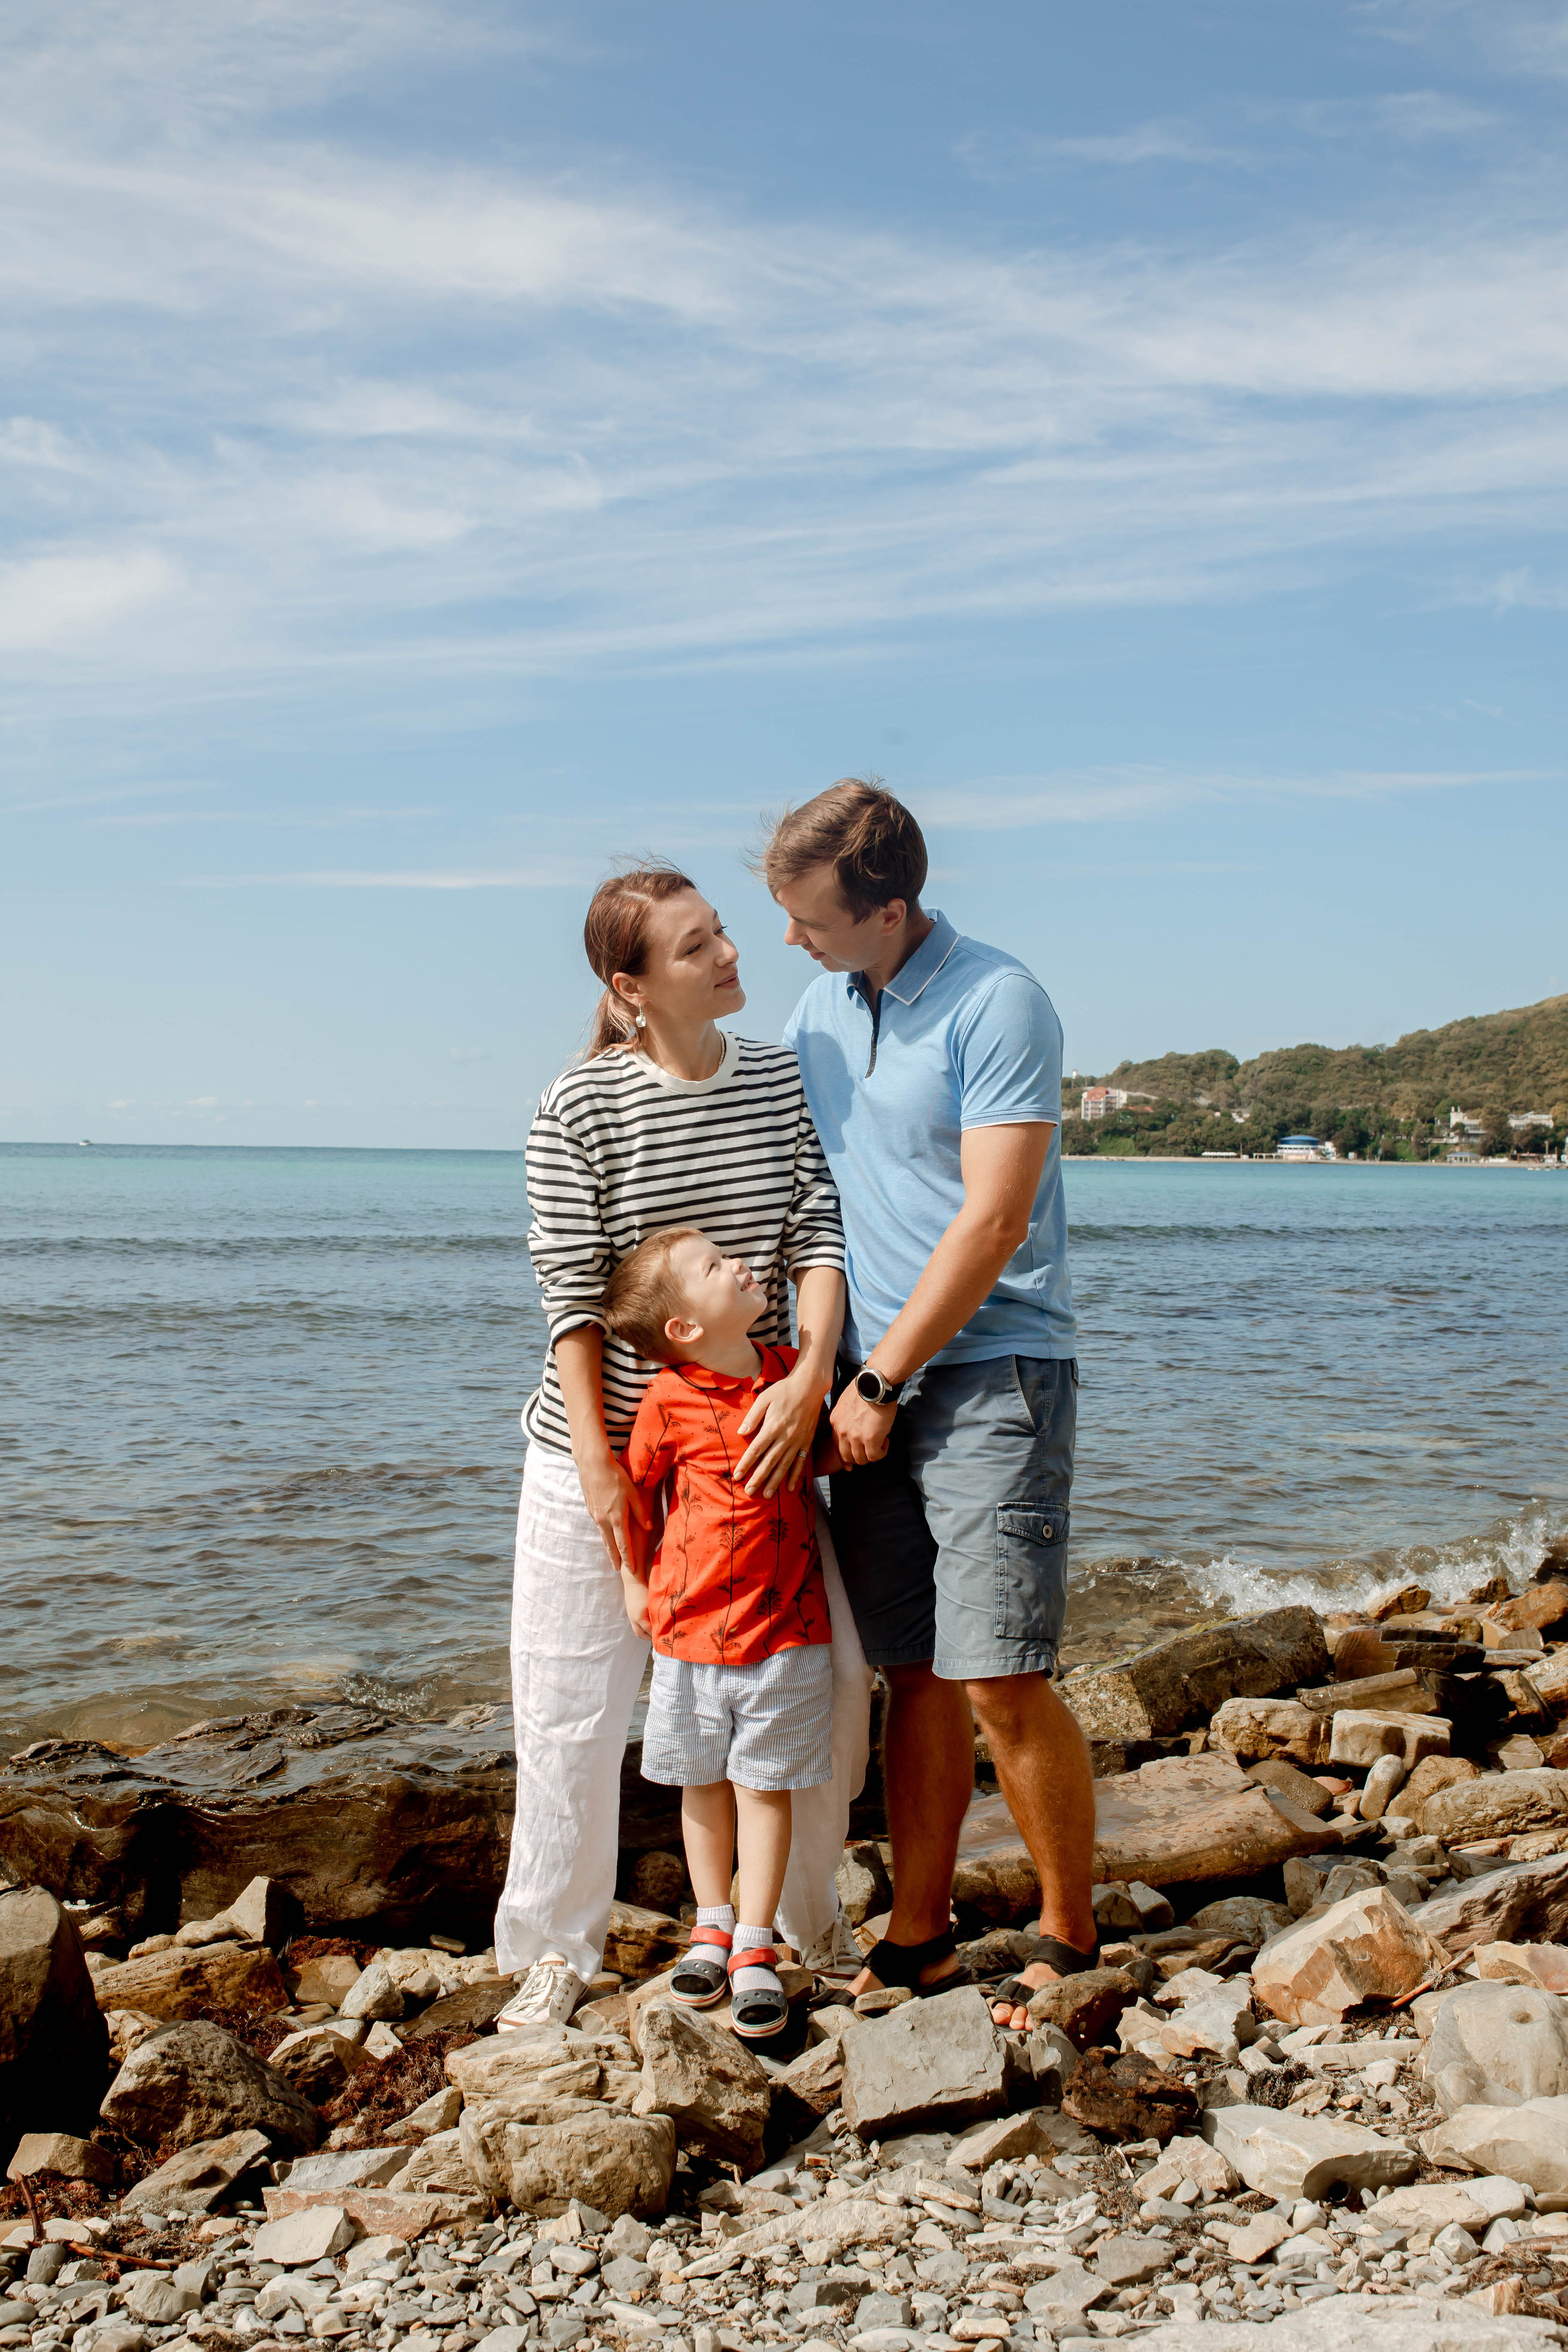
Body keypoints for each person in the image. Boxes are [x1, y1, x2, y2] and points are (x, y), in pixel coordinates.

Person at [494, 862, 872, 2031]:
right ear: (633, 986)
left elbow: (817, 1226)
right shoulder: (580, 1106)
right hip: (595, 1457)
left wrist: (811, 1377)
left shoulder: (774, 1081)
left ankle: (798, 1921)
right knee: (572, 1708)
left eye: (722, 935)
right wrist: (604, 1473)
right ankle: (553, 1950)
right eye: (698, 946)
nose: (730, 956)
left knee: (832, 1682)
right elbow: (569, 1294)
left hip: (753, 1449)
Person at [761, 780, 1095, 2031]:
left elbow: (994, 1218)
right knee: (916, 1674)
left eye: (811, 920)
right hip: (864, 1387)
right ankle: (921, 1932)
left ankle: (1069, 1930)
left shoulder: (997, 999)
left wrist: (883, 1377)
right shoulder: (815, 1007)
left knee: (1001, 1670)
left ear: (888, 907)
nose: (792, 941)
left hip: (988, 1369)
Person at [602, 1224, 841, 2038]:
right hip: (691, 1631)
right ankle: (710, 1919)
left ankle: (754, 1939)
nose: (741, 1263)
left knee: (764, 1787)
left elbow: (827, 1454)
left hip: (787, 1629)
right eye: (715, 1266)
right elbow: (635, 1497)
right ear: (684, 1330)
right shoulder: (667, 1400)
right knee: (703, 1781)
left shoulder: (791, 1375)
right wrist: (635, 1581)